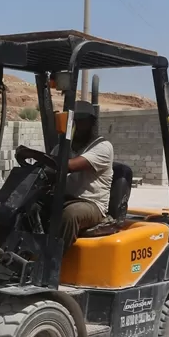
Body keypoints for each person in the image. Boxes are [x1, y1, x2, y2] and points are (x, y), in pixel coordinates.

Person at [60, 101, 113, 248]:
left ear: (92, 123)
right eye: (75, 120)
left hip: (92, 204)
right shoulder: (65, 146)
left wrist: (41, 158)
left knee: (70, 214)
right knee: (32, 206)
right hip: (66, 198)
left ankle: (55, 258)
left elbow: (69, 166)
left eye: (82, 121)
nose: (77, 125)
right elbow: (50, 164)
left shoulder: (102, 147)